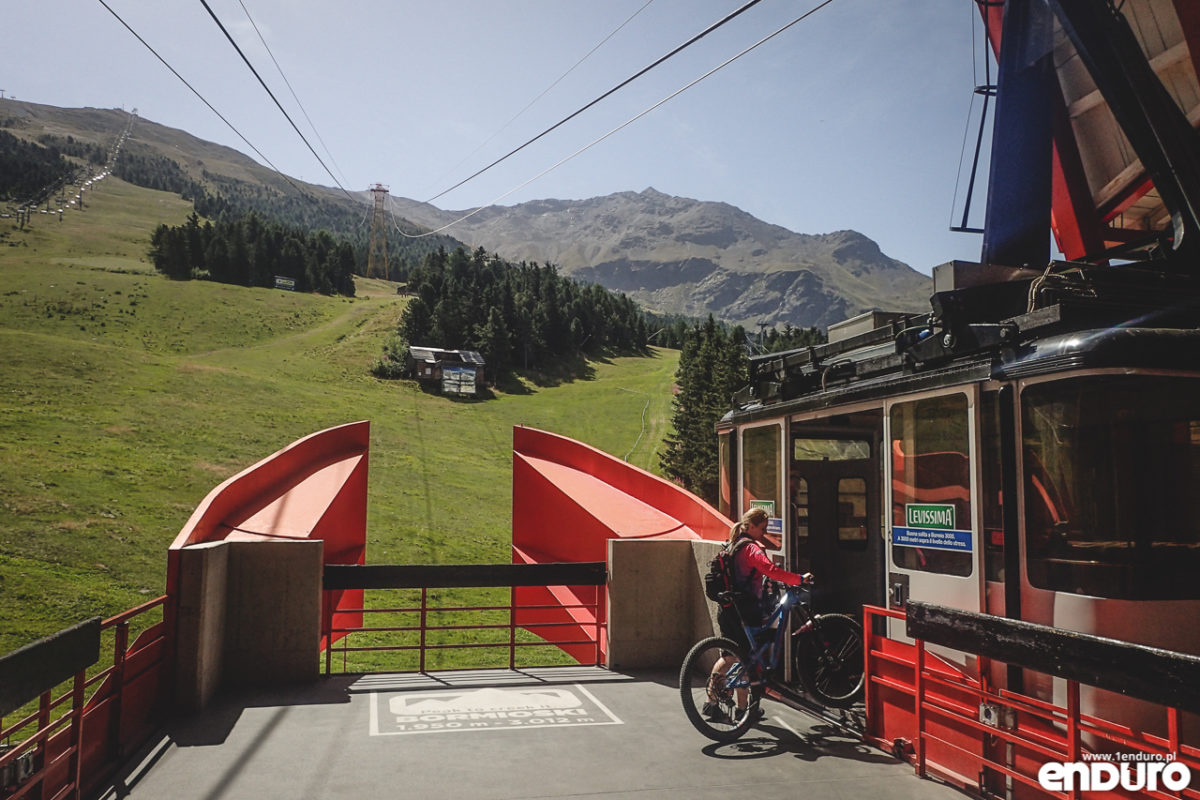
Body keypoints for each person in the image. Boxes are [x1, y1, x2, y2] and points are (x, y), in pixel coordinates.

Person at [706, 506, 812, 721]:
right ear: (751, 526)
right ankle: (743, 710)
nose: (763, 534)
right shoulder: (751, 549)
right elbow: (770, 570)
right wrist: (799, 579)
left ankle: (714, 703)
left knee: (729, 656)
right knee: (748, 657)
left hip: (728, 609)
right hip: (745, 611)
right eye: (762, 529)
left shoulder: (733, 544)